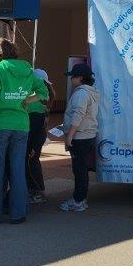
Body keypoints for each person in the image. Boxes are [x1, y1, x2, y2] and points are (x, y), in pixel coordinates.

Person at [0, 38, 47, 224]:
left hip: (0, 124)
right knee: (18, 169)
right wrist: (26, 100)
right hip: (21, 124)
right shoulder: (28, 70)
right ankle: (18, 213)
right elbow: (44, 92)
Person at [61, 63, 100, 212]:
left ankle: (78, 200)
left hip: (80, 137)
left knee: (79, 170)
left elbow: (78, 115)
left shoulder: (81, 94)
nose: (71, 79)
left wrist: (69, 135)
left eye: (73, 76)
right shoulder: (91, 92)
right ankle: (80, 198)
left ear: (81, 78)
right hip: (87, 135)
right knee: (81, 169)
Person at [26, 68, 53, 203]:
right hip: (38, 135)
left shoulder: (34, 99)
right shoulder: (45, 95)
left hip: (34, 136)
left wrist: (32, 146)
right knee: (33, 162)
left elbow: (36, 125)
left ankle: (37, 192)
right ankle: (37, 191)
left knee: (31, 163)